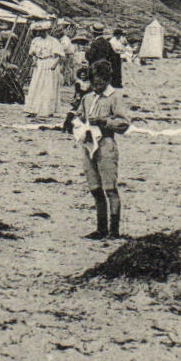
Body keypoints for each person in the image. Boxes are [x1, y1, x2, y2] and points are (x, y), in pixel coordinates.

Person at [77, 60, 132, 240]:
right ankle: (101, 228)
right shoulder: (88, 98)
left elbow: (124, 123)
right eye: (94, 83)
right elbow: (80, 116)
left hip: (106, 144)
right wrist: (77, 122)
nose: (97, 86)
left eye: (100, 83)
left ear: (107, 80)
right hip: (88, 145)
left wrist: (105, 122)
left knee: (110, 188)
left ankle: (114, 230)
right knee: (95, 187)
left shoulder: (114, 97)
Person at [23, 23, 63, 119]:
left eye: (42, 31)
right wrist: (34, 60)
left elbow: (59, 55)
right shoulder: (36, 41)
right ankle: (33, 109)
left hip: (49, 62)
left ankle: (47, 110)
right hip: (39, 64)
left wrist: (54, 64)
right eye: (39, 31)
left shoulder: (53, 41)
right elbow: (32, 53)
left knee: (47, 86)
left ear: (47, 31)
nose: (40, 33)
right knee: (36, 85)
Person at [84, 23, 123, 90]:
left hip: (95, 68)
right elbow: (113, 56)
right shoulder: (107, 43)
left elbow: (89, 57)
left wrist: (87, 51)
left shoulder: (94, 43)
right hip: (104, 68)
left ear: (94, 33)